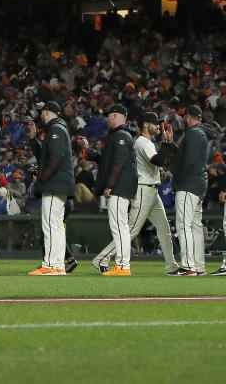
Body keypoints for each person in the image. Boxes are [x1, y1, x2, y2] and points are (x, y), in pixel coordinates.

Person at [91, 112, 177, 275]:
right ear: (145, 124)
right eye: (155, 123)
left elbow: (163, 162)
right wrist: (166, 145)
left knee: (164, 229)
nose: (158, 126)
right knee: (131, 230)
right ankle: (102, 258)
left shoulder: (149, 142)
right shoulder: (142, 142)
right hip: (143, 190)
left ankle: (171, 266)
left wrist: (169, 145)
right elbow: (158, 160)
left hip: (153, 191)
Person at [80, 104, 138, 276]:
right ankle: (122, 265)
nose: (106, 119)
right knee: (120, 227)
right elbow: (105, 160)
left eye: (108, 116)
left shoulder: (121, 135)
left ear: (115, 116)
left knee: (119, 227)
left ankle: (122, 265)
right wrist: (87, 149)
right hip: (121, 187)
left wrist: (110, 185)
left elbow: (119, 163)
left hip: (119, 187)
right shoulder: (119, 135)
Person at [160, 104, 218, 276]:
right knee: (195, 226)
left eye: (184, 115)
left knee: (183, 224)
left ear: (189, 116)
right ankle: (199, 266)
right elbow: (186, 156)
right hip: (199, 184)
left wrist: (173, 173)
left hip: (188, 184)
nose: (183, 118)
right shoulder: (203, 133)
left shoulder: (193, 133)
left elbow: (188, 161)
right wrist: (171, 144)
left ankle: (188, 266)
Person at [25, 101, 74, 276]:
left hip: (54, 184)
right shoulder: (58, 128)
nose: (40, 115)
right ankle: (58, 265)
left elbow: (54, 159)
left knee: (51, 224)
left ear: (47, 112)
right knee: (57, 225)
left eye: (42, 112)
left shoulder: (56, 129)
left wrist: (43, 180)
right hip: (59, 184)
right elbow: (45, 156)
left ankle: (51, 265)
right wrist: (33, 139)